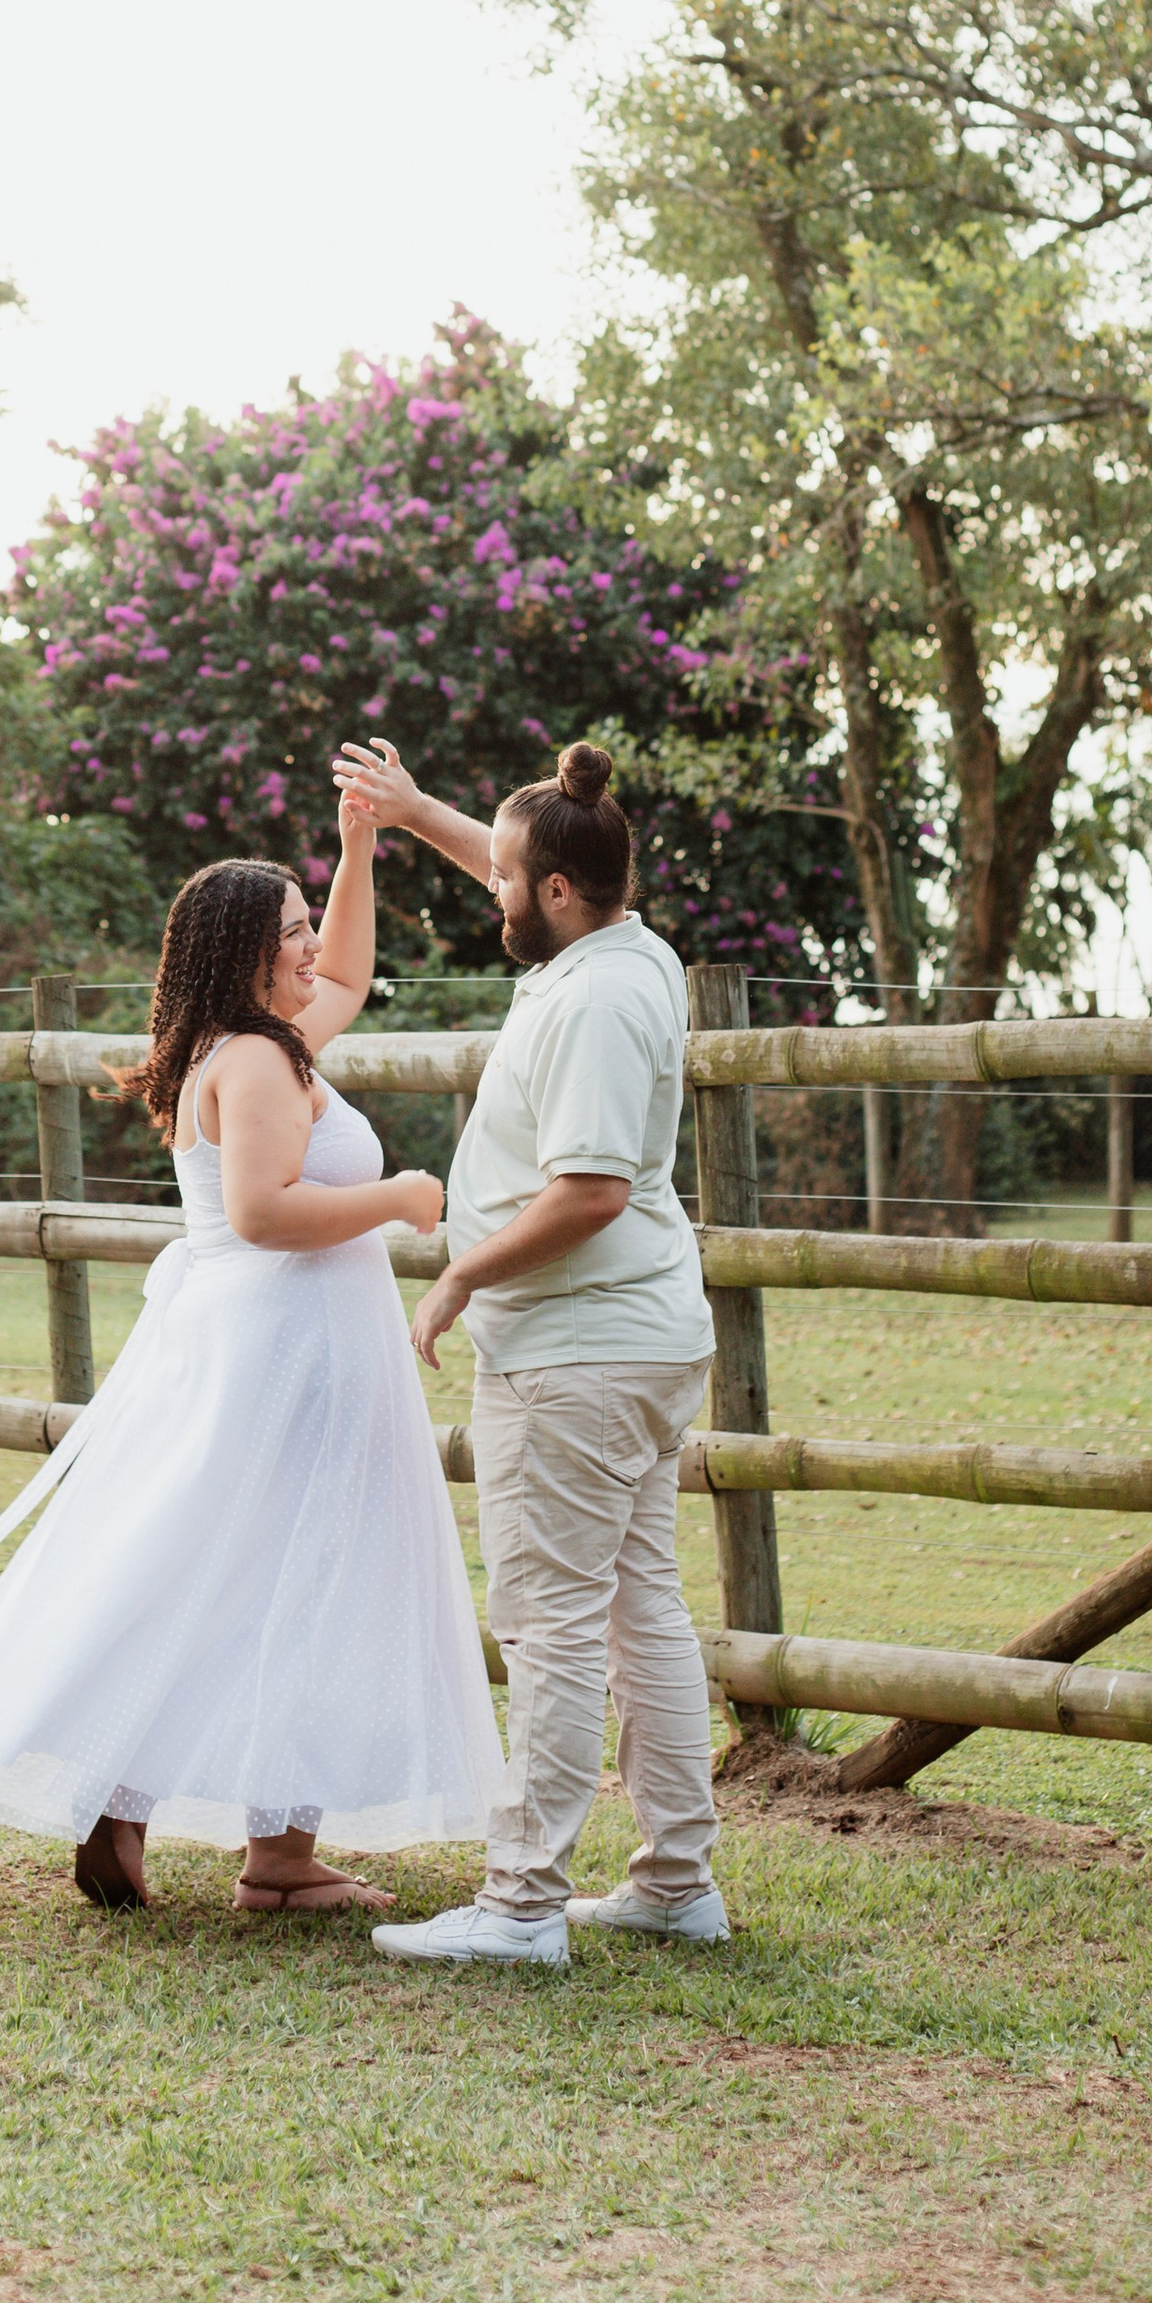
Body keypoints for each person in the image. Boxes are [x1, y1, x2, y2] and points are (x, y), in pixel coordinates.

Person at [0, 781, 504, 1914]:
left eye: (311, 924)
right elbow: (263, 1215)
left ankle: (246, 1841)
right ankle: (158, 1812)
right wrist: (402, 1196)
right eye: (294, 933)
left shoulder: (260, 1041)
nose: (314, 949)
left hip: (285, 1346)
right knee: (282, 1574)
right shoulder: (256, 1064)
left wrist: (360, 848)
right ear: (247, 956)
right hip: (283, 1347)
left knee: (274, 1577)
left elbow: (354, 978)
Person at [332, 734, 727, 1970]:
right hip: (628, 1345)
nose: (489, 890)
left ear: (556, 893)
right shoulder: (619, 945)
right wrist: (411, 814)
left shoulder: (603, 997)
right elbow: (515, 861)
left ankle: (518, 1906)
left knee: (551, 1618)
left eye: (506, 880)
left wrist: (459, 1271)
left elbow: (592, 1191)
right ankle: (675, 1882)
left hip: (578, 1354)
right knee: (634, 1605)